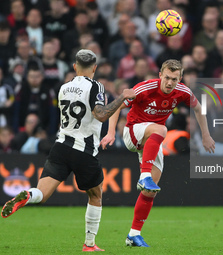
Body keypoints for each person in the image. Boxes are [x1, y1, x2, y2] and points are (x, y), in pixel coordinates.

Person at [1, 49, 136, 252]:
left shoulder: (64, 87)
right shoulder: (96, 86)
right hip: (84, 150)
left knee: (43, 193)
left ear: (74, 66)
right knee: (95, 195)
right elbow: (100, 115)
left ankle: (28, 195)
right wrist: (121, 98)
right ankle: (89, 244)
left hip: (60, 147)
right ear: (95, 68)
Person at [100, 59, 215, 247]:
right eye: (167, 78)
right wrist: (111, 132)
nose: (170, 83)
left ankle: (133, 235)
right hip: (133, 132)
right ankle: (144, 175)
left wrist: (206, 135)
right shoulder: (144, 88)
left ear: (180, 78)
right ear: (160, 75)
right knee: (161, 130)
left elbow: (198, 108)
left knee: (150, 191)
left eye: (175, 79)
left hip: (151, 141)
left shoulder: (183, 91)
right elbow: (117, 107)